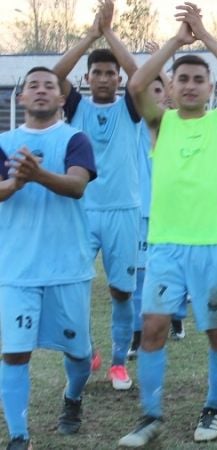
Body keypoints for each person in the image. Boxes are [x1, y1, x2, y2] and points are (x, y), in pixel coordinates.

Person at [118, 2, 217, 446]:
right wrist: (177, 40)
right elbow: (137, 82)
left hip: (213, 244)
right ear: (170, 88)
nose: (191, 85)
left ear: (210, 87)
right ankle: (150, 415)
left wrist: (206, 35)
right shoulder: (160, 124)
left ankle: (213, 408)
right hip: (166, 247)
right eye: (183, 79)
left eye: (199, 79)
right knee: (153, 328)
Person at [0, 66, 96, 449]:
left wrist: (37, 175)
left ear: (61, 99)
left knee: (78, 353)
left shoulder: (75, 139)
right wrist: (16, 182)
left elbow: (76, 185)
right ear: (21, 98)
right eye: (32, 85)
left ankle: (73, 397)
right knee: (14, 352)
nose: (40, 90)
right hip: (16, 269)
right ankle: (19, 437)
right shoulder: (5, 142)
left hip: (68, 268)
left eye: (48, 86)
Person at [52, 0, 139, 391]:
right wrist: (90, 35)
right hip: (82, 212)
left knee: (121, 290)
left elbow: (140, 71)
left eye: (110, 73)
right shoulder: (77, 109)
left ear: (118, 80)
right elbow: (54, 76)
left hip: (123, 211)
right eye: (97, 73)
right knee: (73, 284)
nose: (104, 78)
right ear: (87, 79)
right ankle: (87, 352)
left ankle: (119, 362)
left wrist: (109, 33)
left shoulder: (130, 109)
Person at [128, 42, 187, 362]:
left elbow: (175, 91)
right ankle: (138, 338)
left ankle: (176, 319)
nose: (155, 94)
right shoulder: (137, 124)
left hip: (172, 210)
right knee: (140, 276)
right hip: (141, 211)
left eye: (159, 88)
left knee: (170, 270)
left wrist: (164, 70)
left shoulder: (176, 122)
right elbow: (135, 80)